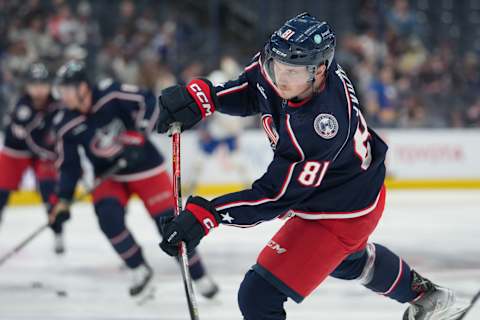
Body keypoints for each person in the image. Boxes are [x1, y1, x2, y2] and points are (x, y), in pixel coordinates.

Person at [155, 13, 469, 320]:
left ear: (318, 71)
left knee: (258, 296)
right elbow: (255, 89)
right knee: (348, 261)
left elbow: (275, 197)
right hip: (349, 188)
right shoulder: (285, 63)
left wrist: (208, 215)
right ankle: (428, 297)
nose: (280, 77)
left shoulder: (320, 126)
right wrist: (206, 98)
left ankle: (422, 294)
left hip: (340, 211)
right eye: (277, 66)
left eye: (292, 71)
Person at [50, 60, 218, 298]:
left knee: (170, 224)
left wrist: (138, 134)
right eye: (62, 90)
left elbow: (147, 100)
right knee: (108, 218)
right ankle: (138, 268)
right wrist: (64, 198)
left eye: (67, 89)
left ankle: (198, 275)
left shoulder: (110, 93)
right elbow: (69, 166)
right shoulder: (65, 123)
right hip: (109, 175)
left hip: (146, 168)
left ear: (82, 87)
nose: (63, 96)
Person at [0, 62, 65, 254]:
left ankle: (58, 232)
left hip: (43, 153)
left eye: (42, 84)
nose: (38, 89)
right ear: (27, 86)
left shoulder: (57, 106)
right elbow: (27, 139)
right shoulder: (21, 107)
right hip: (15, 152)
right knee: (1, 193)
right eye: (34, 84)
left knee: (49, 191)